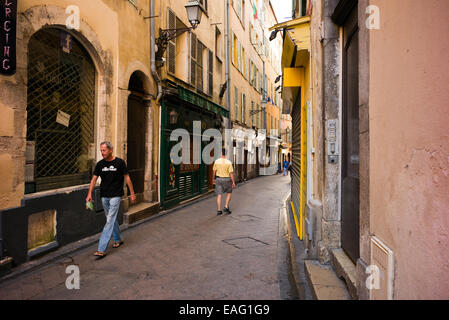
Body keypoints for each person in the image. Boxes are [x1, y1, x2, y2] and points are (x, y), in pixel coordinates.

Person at [86, 141, 136, 258]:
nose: (102, 153)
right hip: (104, 196)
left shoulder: (120, 163)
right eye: (101, 150)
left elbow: (127, 179)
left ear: (110, 150)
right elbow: (93, 180)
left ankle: (101, 248)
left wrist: (132, 193)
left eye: (104, 150)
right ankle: (118, 239)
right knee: (111, 219)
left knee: (109, 221)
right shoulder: (100, 164)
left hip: (116, 195)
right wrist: (89, 194)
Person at [212, 148, 236, 215]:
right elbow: (231, 173)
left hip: (219, 179)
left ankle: (219, 210)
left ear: (220, 153)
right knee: (229, 192)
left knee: (219, 195)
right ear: (226, 154)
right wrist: (233, 182)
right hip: (227, 179)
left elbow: (214, 171)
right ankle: (226, 206)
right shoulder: (228, 162)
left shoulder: (216, 161)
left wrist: (213, 179)